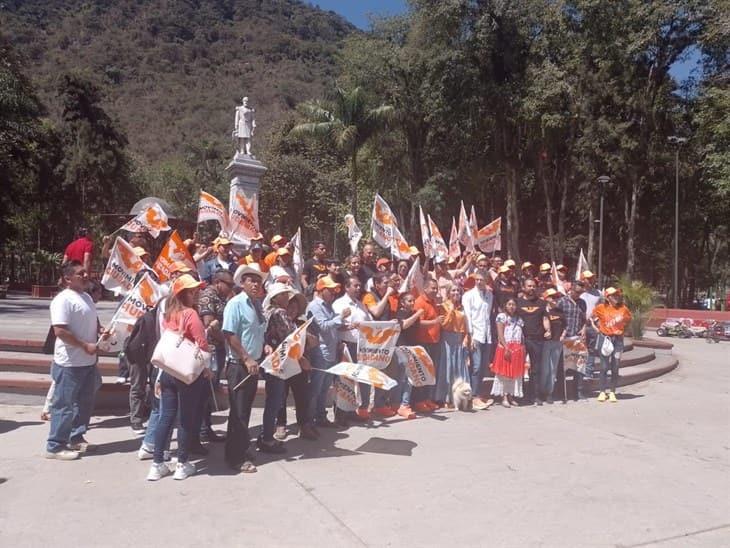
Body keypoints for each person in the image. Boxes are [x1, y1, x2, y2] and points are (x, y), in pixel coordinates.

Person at [147, 274, 211, 481]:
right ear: (186, 294)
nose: (197, 294)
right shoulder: (191, 314)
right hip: (186, 373)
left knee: (166, 416)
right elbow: (202, 344)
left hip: (168, 371)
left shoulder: (168, 314)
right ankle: (182, 463)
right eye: (193, 291)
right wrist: (207, 368)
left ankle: (157, 463)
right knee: (185, 418)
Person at [45, 262, 105, 460]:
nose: (86, 275)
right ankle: (55, 446)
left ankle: (76, 437)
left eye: (85, 272)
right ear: (68, 279)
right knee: (64, 405)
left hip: (88, 362)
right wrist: (84, 346)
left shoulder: (86, 297)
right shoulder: (62, 300)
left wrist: (100, 330)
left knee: (85, 403)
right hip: (69, 363)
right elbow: (60, 331)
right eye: (81, 273)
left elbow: (91, 320)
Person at [222, 265, 267, 473]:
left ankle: (239, 448)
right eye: (252, 280)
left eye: (259, 281)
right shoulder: (236, 304)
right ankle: (236, 457)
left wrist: (264, 346)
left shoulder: (257, 305)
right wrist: (247, 357)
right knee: (238, 412)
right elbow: (230, 334)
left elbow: (256, 332)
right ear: (242, 283)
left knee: (245, 410)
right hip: (240, 365)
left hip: (253, 364)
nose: (256, 284)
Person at [271, 290, 317, 441]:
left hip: (299, 368)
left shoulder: (302, 324)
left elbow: (314, 342)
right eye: (289, 307)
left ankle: (304, 425)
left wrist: (308, 337)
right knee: (281, 395)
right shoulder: (277, 321)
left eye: (295, 308)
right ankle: (281, 424)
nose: (292, 310)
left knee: (301, 396)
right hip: (282, 364)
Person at [306, 276, 350, 427]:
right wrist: (341, 317)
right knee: (316, 389)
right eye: (330, 289)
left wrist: (345, 325)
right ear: (321, 290)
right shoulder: (314, 306)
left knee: (324, 388)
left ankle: (320, 417)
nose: (333, 292)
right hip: (320, 351)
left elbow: (332, 326)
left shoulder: (327, 305)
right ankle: (309, 421)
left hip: (329, 351)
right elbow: (324, 327)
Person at [197, 270, 235, 442]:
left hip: (218, 349)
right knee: (206, 390)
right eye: (229, 284)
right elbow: (208, 324)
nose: (231, 288)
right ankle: (202, 429)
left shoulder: (222, 298)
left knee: (210, 389)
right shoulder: (208, 296)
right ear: (218, 282)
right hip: (210, 349)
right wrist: (227, 340)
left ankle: (206, 427)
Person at [333, 276, 372, 421]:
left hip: (360, 347)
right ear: (346, 287)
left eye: (359, 286)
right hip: (346, 345)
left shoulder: (361, 305)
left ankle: (351, 411)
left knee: (357, 380)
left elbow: (370, 323)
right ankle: (340, 415)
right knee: (344, 380)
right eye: (355, 286)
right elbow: (335, 325)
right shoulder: (339, 304)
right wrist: (350, 326)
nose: (358, 288)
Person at [591, 287, 632, 403]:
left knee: (615, 366)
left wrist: (623, 331)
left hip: (618, 340)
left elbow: (628, 320)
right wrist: (597, 328)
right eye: (613, 295)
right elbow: (592, 318)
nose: (616, 297)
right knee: (604, 367)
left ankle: (612, 392)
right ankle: (602, 392)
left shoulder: (623, 309)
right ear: (607, 297)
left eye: (617, 295)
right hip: (605, 339)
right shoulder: (601, 308)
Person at [462, 271, 494, 410]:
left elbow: (487, 316)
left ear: (486, 280)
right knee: (475, 366)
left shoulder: (489, 295)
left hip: (486, 335)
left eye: (482, 280)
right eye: (477, 280)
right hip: (475, 335)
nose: (479, 282)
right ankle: (472, 396)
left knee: (482, 367)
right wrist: (470, 335)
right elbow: (467, 316)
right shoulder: (468, 295)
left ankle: (479, 394)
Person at [436, 283, 470, 408]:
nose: (456, 293)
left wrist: (466, 338)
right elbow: (444, 324)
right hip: (447, 338)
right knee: (447, 368)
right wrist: (450, 309)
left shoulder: (462, 307)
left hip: (458, 339)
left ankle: (459, 397)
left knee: (458, 370)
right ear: (449, 293)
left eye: (458, 291)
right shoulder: (444, 306)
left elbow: (465, 326)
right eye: (453, 291)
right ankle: (445, 397)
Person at [412, 278, 443, 412]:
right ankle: (418, 401)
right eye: (433, 288)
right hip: (423, 341)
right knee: (422, 373)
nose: (435, 291)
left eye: (436, 288)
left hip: (434, 341)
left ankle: (426, 399)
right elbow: (417, 322)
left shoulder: (434, 302)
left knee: (430, 373)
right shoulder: (419, 302)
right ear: (425, 288)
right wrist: (435, 322)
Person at [490, 298, 527, 407]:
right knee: (504, 373)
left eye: (513, 304)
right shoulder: (501, 317)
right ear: (505, 305)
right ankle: (504, 396)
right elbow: (500, 334)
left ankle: (511, 395)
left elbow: (521, 335)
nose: (511, 306)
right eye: (509, 304)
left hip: (517, 349)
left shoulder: (519, 319)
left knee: (514, 374)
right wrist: (506, 347)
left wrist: (522, 348)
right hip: (505, 348)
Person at [393, 292, 424, 419]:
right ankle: (402, 405)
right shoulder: (400, 313)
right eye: (409, 301)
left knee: (408, 377)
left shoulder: (412, 313)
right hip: (401, 347)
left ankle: (401, 403)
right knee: (405, 377)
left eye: (413, 301)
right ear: (402, 303)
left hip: (411, 348)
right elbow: (403, 325)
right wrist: (417, 314)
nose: (412, 303)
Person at [517, 278, 547, 405]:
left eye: (534, 286)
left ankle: (535, 396)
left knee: (536, 369)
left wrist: (548, 330)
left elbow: (545, 318)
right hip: (522, 340)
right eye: (529, 286)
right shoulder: (517, 302)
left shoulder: (541, 303)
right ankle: (520, 395)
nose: (532, 288)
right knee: (519, 369)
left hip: (537, 340)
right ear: (524, 287)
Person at [559, 281, 588, 400]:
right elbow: (556, 318)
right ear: (571, 290)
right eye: (577, 292)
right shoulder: (562, 301)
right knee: (563, 367)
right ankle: (561, 393)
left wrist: (584, 329)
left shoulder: (582, 302)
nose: (578, 294)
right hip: (565, 337)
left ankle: (579, 391)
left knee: (580, 365)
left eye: (581, 292)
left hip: (577, 337)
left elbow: (584, 319)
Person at [541, 288, 566, 404]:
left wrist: (563, 335)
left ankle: (549, 393)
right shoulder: (543, 311)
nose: (556, 299)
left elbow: (565, 326)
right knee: (545, 368)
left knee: (553, 369)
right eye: (553, 297)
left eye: (557, 297)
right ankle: (541, 391)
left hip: (557, 342)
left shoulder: (560, 311)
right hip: (546, 343)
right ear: (547, 298)